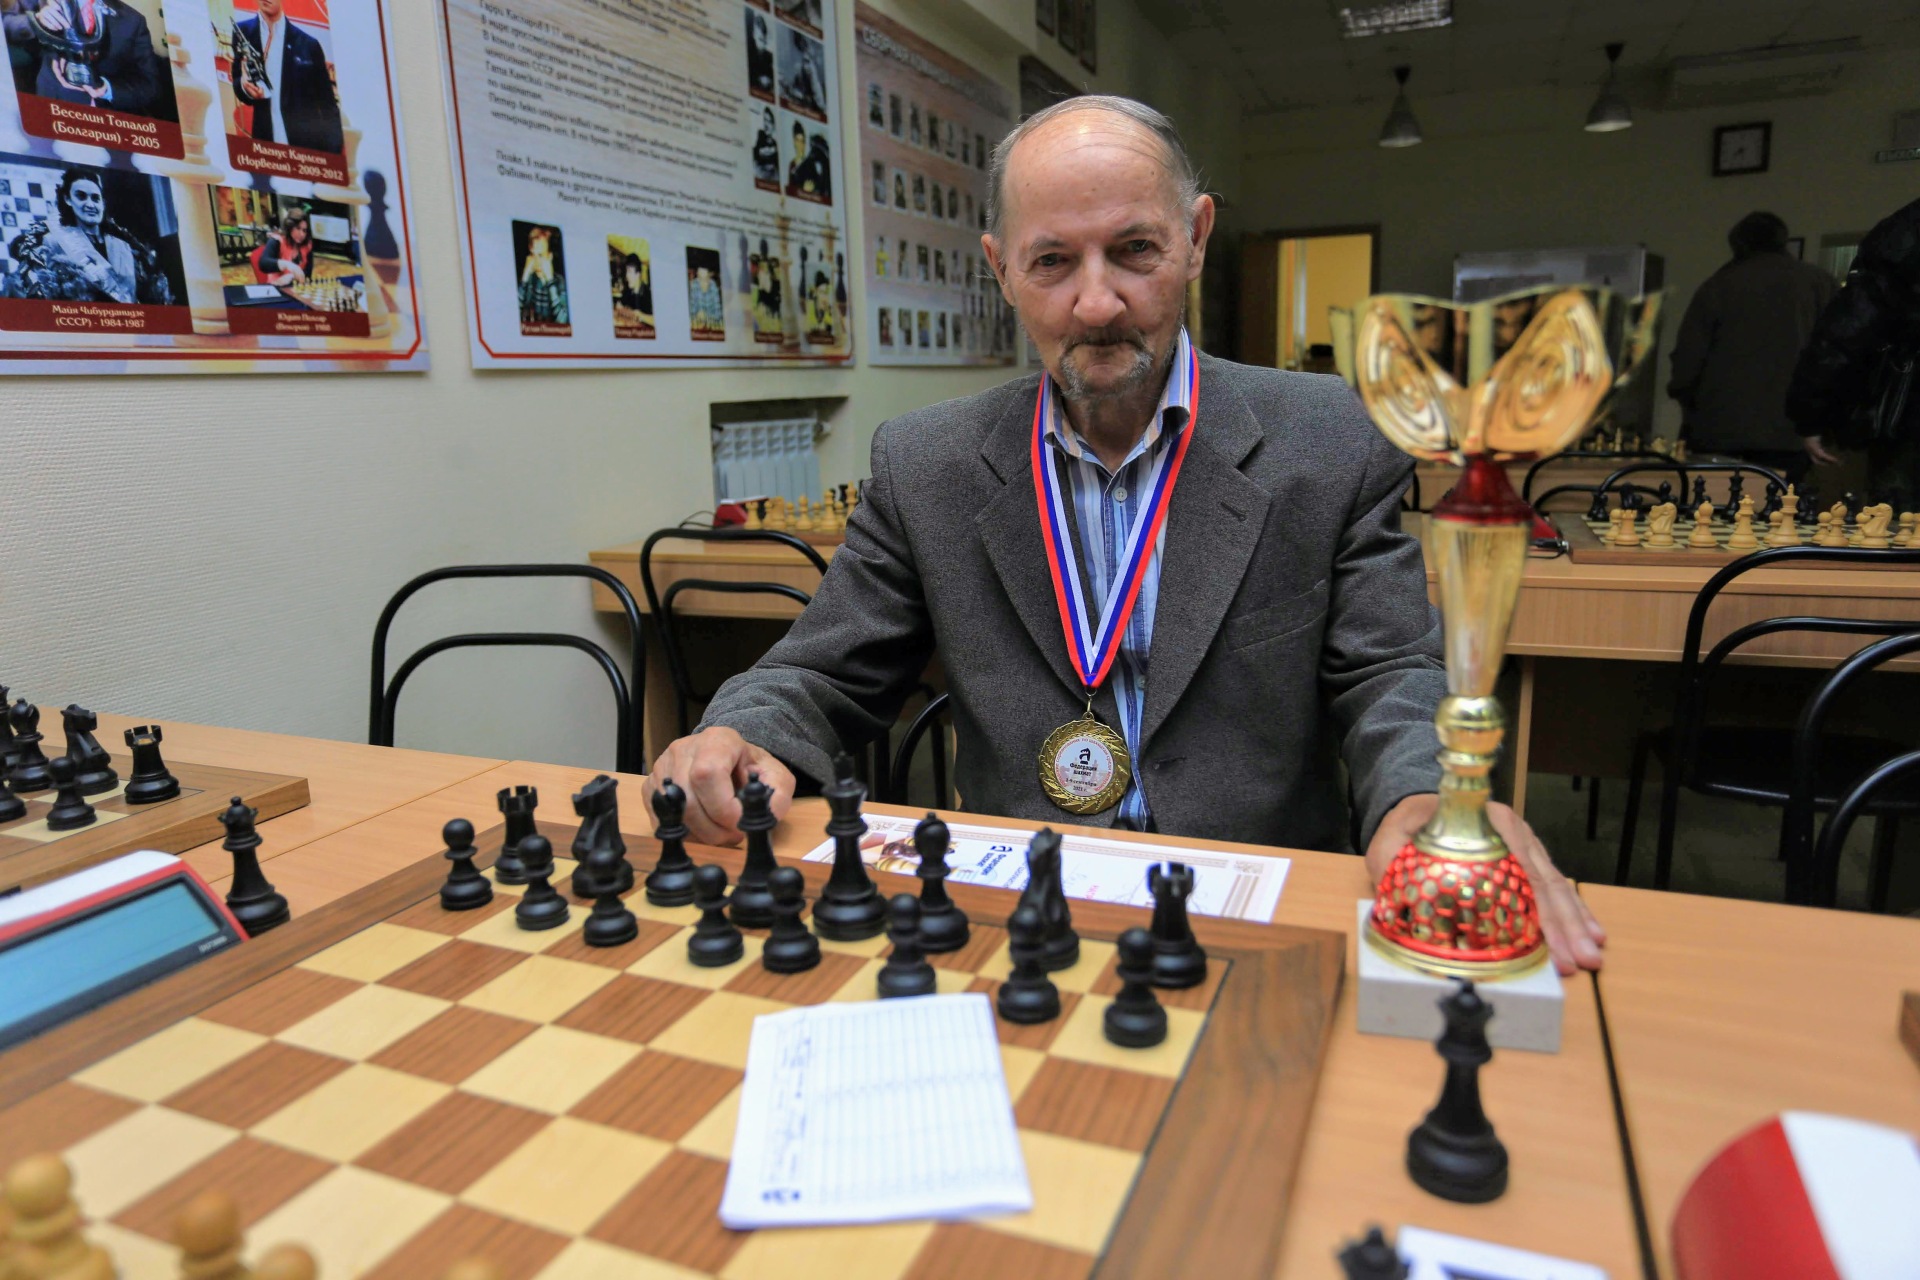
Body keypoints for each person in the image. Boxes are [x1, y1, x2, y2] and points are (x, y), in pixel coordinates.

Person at [645, 94, 1604, 975]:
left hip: (1254, 904)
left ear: (1196, 239)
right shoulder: (926, 463)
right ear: (1001, 270)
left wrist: (1425, 799)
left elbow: (1388, 669)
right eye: (1052, 261)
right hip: (1020, 906)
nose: (1096, 303)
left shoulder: (1328, 437)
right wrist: (741, 730)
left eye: (1135, 250)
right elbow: (823, 670)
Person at [1667, 212, 1835, 483]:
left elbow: (1689, 358)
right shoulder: (1818, 282)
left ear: (1738, 244)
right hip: (1792, 431)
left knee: (1716, 502)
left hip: (1720, 428)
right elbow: (1835, 352)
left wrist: (1686, 400)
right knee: (1785, 505)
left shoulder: (1718, 286)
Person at [1787, 197, 1920, 512]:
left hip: (1905, 429)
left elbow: (1845, 336)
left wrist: (1810, 418)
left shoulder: (1902, 238)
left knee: (1894, 527)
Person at [9, 166, 171, 304]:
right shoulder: (52, 242)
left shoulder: (123, 245)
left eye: (95, 198)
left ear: (103, 203)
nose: (90, 204)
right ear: (67, 199)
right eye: (81, 196)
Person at [2, 0, 166, 115]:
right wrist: (35, 21)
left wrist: (107, 89)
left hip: (104, 125)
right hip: (49, 107)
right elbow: (5, 24)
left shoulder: (134, 21)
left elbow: (150, 86)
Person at [232, 0, 342, 154]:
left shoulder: (309, 45)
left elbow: (327, 105)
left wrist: (333, 156)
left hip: (306, 153)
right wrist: (245, 87)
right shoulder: (242, 32)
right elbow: (238, 82)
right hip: (265, 151)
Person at [249, 205, 312, 285]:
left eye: (304, 230)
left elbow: (307, 275)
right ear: (290, 227)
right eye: (298, 228)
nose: (302, 234)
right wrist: (287, 264)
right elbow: (263, 263)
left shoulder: (307, 246)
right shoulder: (277, 241)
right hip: (276, 286)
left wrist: (292, 276)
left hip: (297, 288)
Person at [517, 226, 566, 324]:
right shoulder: (528, 281)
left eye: (540, 255)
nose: (536, 261)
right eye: (533, 255)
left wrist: (550, 281)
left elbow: (562, 320)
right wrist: (524, 277)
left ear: (550, 257)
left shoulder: (560, 282)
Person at [688, 260, 723, 333]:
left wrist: (707, 316)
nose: (702, 282)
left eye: (705, 279)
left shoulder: (713, 286)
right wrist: (697, 315)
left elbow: (718, 314)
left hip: (712, 325)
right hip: (697, 324)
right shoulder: (694, 285)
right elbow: (691, 310)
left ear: (710, 275)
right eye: (699, 278)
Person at [615, 252, 650, 317]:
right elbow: (619, 305)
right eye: (626, 271)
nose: (626, 276)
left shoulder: (648, 293)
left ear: (638, 274)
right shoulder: (627, 291)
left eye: (629, 271)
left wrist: (641, 315)